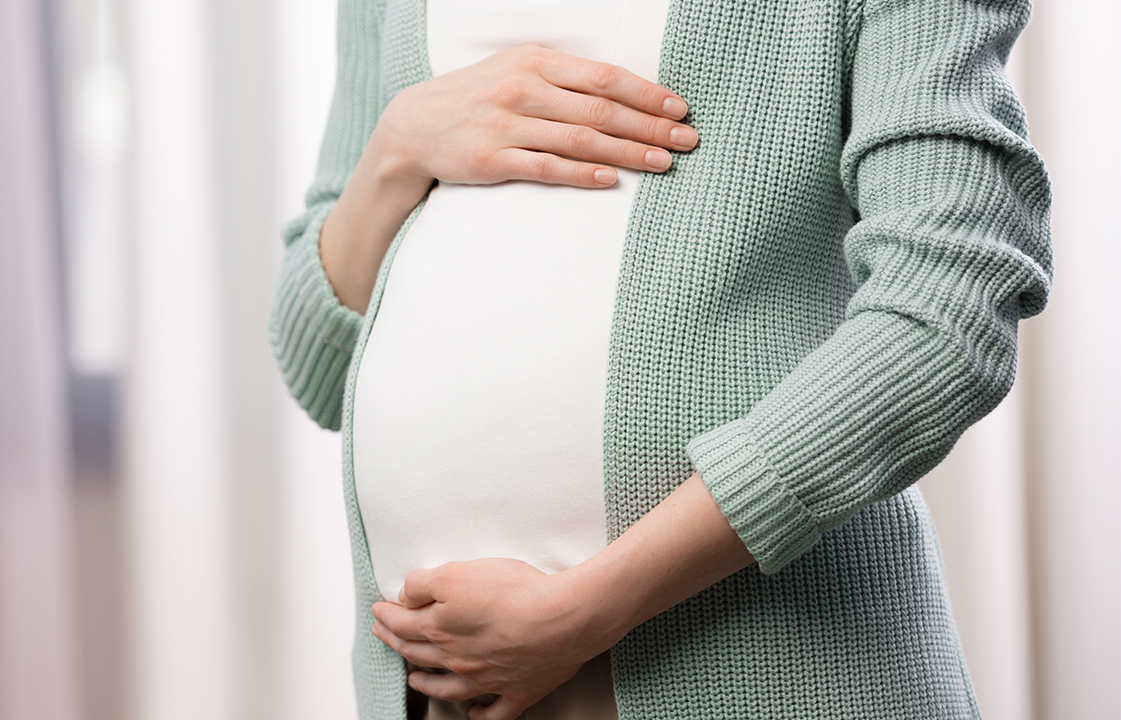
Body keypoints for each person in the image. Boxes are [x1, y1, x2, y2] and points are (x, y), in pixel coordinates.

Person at [269, 0, 1052, 717]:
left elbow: (951, 309)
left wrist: (588, 610)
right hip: (440, 690)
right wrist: (395, 150)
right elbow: (318, 369)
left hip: (773, 671)